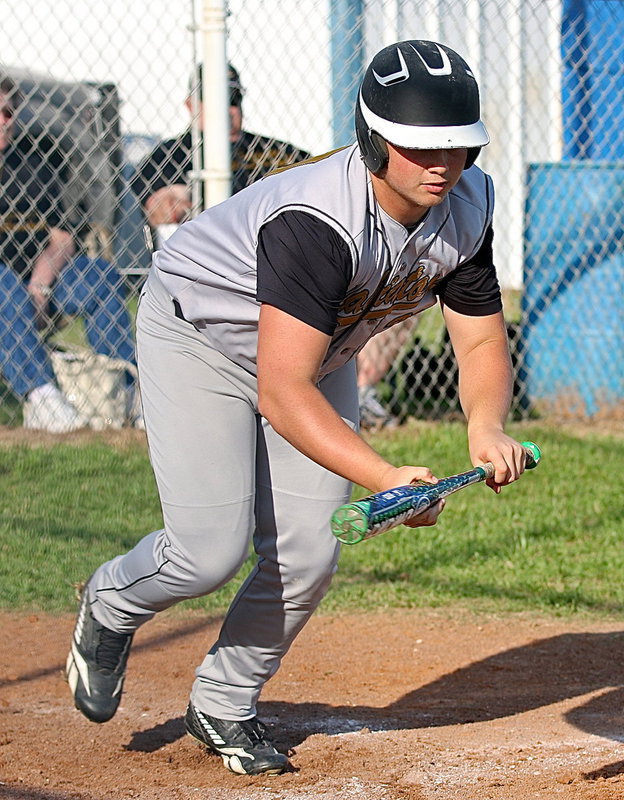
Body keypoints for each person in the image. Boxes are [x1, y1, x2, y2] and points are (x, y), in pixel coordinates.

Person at [66, 41, 530, 776]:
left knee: (310, 549)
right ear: (376, 142)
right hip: (203, 337)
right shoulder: (317, 221)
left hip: (320, 351)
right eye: (419, 147)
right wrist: (384, 475)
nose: (443, 165)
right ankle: (112, 601)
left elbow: (477, 344)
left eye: (458, 147)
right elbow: (283, 394)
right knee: (207, 550)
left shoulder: (467, 206)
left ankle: (224, 701)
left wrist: (486, 426)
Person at [0, 74, 138, 433]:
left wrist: (41, 286)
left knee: (98, 277)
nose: (5, 121)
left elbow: (62, 238)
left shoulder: (32, 164)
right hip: (5, 287)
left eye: (9, 112)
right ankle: (41, 396)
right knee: (3, 287)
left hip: (39, 280)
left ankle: (125, 391)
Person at [130, 64, 310, 236]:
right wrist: (182, 198)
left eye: (233, 99)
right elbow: (162, 208)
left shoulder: (277, 150)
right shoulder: (169, 155)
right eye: (216, 100)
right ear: (191, 105)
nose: (228, 110)